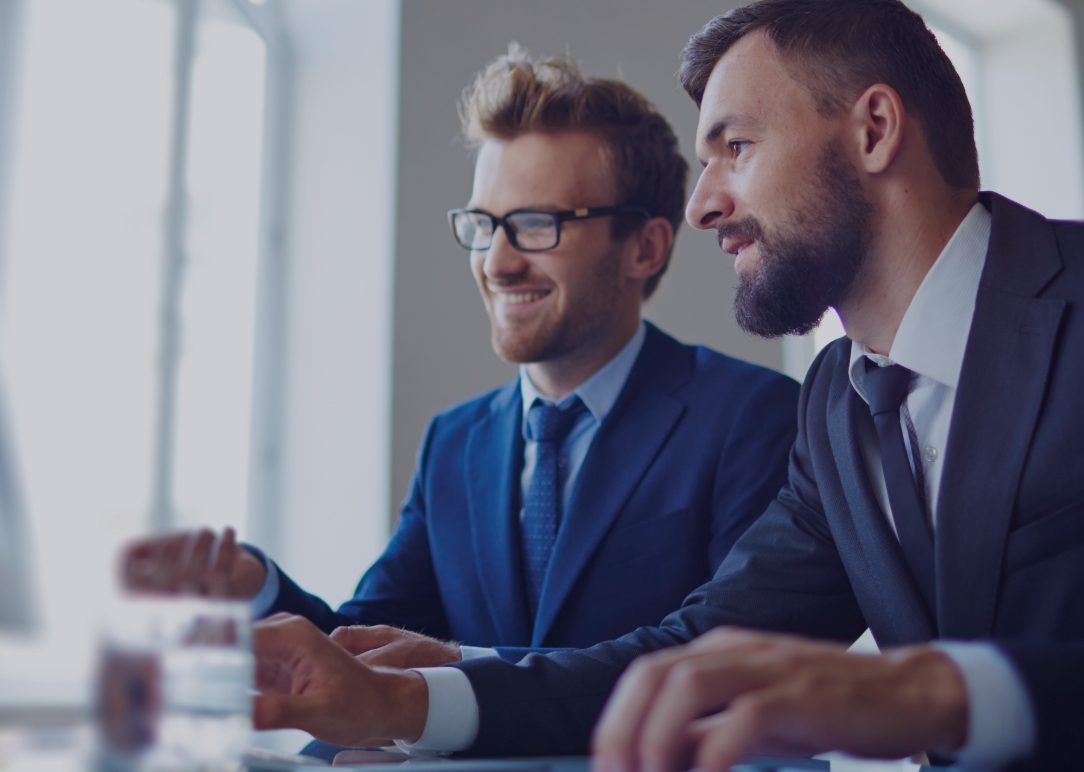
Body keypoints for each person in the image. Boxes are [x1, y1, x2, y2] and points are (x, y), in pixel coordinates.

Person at [242, 0, 1084, 772]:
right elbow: (695, 654)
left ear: (873, 130)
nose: (702, 205)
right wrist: (408, 701)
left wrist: (938, 694)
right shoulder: (839, 402)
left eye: (737, 148)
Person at [122, 53, 798, 669]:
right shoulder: (455, 443)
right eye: (483, 225)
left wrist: (460, 683)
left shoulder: (750, 419)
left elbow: (725, 665)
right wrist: (258, 589)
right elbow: (364, 657)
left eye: (537, 225)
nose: (498, 263)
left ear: (644, 249)